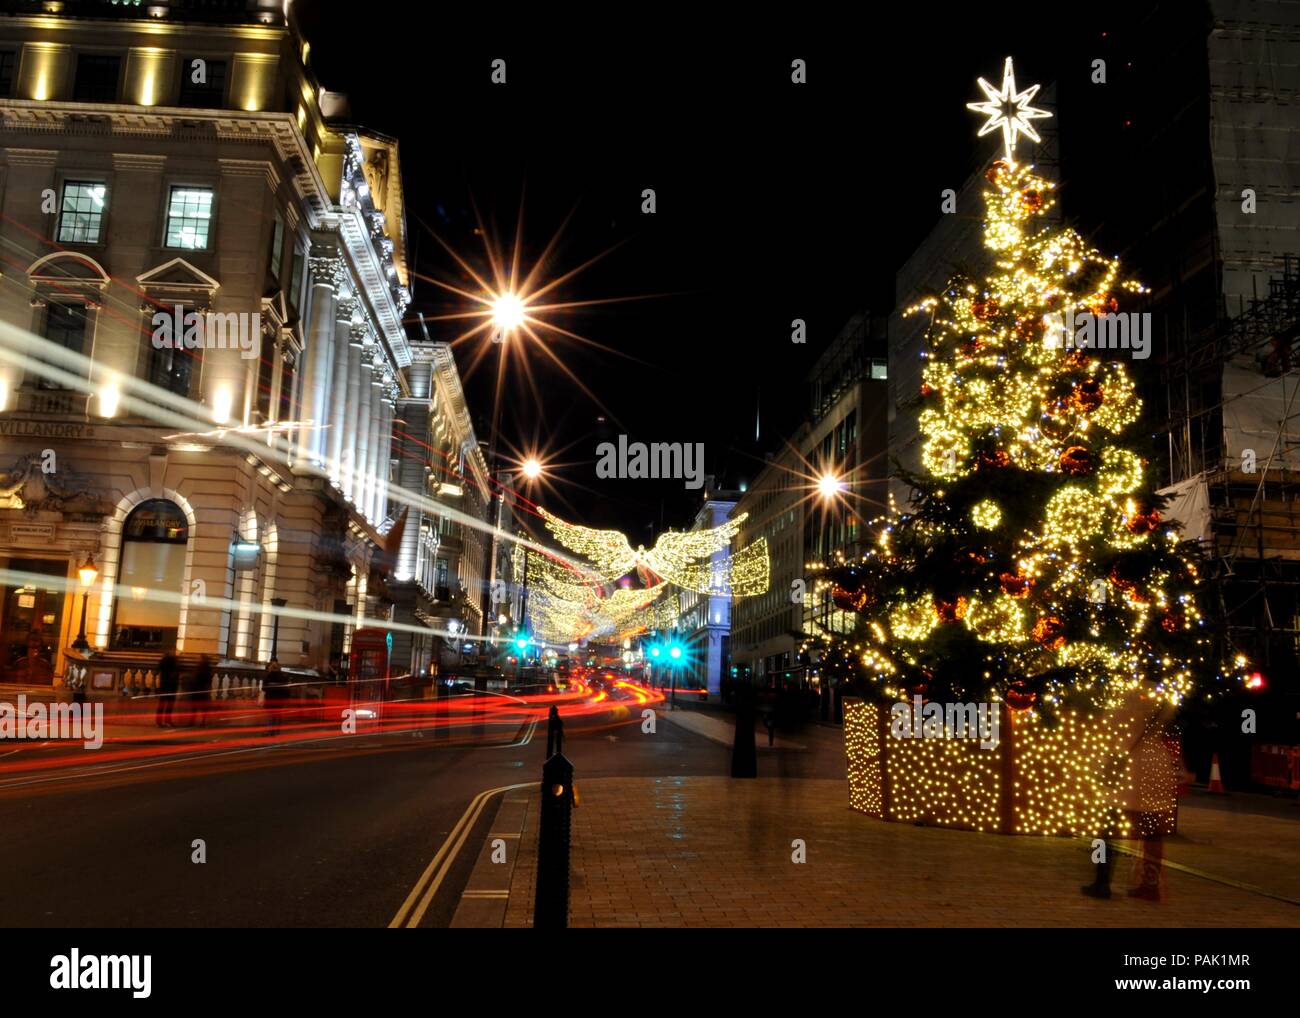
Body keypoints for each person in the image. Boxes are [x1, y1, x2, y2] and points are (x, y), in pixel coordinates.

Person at [155, 651, 180, 727]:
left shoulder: (163, 661)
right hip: (171, 686)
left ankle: (159, 722)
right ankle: (167, 721)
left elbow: (158, 669)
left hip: (164, 685)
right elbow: (175, 673)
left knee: (162, 705)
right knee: (169, 705)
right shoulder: (173, 662)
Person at [263, 658, 286, 736]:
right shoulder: (283, 677)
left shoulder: (268, 676)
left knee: (270, 716)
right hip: (279, 700)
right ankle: (277, 731)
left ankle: (270, 731)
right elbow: (286, 689)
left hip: (270, 699)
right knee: (278, 716)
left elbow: (264, 688)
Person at [190, 655, 213, 728]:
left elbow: (200, 678)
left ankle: (196, 721)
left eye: (199, 658)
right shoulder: (205, 667)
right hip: (200, 689)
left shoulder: (202, 668)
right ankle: (199, 721)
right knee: (200, 706)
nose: (197, 659)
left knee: (197, 706)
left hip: (199, 689)